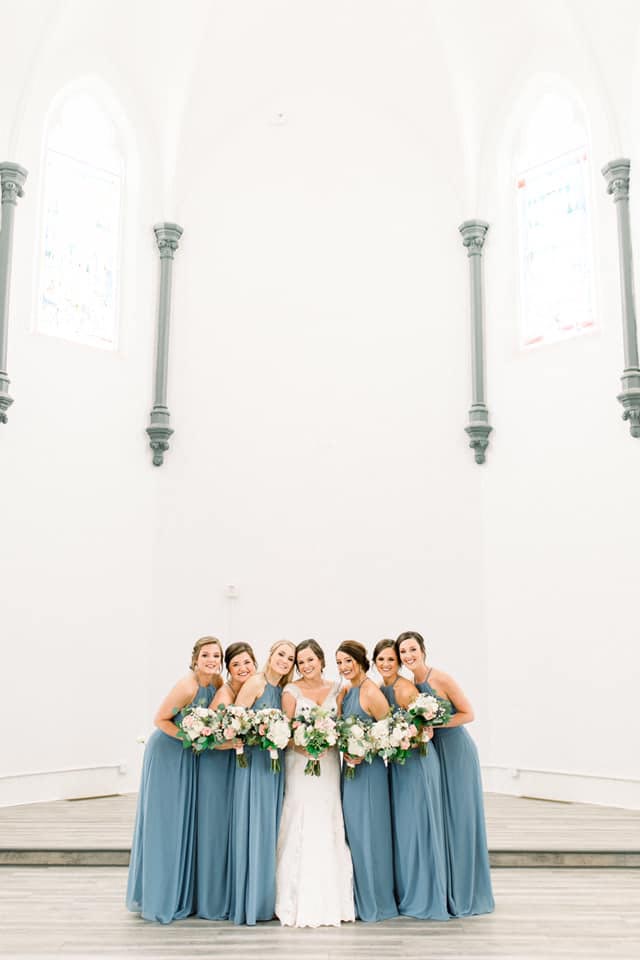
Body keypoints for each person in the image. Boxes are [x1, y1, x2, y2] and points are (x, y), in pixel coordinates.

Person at [396, 630, 495, 917]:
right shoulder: (409, 685)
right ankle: (447, 888)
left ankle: (468, 892)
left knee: (461, 820)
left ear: (423, 650)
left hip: (457, 753)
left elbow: (468, 713)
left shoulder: (440, 678)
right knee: (444, 822)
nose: (408, 656)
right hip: (433, 755)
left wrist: (435, 722)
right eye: (403, 652)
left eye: (412, 649)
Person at [126, 636, 223, 923]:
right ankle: (159, 897)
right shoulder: (187, 686)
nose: (212, 660)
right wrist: (190, 737)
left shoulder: (216, 683)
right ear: (195, 659)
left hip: (189, 755)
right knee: (166, 823)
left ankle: (182, 894)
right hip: (167, 753)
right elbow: (160, 720)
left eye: (216, 655)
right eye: (206, 655)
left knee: (184, 821)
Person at [275, 640, 355, 927]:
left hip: (330, 763)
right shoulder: (291, 691)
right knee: (300, 816)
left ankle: (333, 898)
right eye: (301, 662)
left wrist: (336, 744)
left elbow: (342, 726)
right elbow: (284, 733)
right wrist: (305, 748)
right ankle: (294, 899)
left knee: (328, 816)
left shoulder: (338, 689)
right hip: (299, 764)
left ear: (321, 660)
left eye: (310, 659)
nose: (306, 666)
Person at [374, 638, 448, 920]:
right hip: (398, 766)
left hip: (417, 763)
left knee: (419, 828)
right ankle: (408, 891)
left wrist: (407, 736)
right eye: (381, 659)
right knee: (405, 831)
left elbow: (424, 730)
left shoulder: (405, 689)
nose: (386, 664)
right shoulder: (381, 689)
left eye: (391, 659)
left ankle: (426, 897)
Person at [227, 640, 296, 925]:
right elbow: (234, 723)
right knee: (255, 828)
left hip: (274, 768)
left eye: (290, 658)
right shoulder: (256, 683)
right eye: (281, 654)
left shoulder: (283, 690)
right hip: (255, 765)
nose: (284, 661)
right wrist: (259, 733)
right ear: (270, 654)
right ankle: (252, 903)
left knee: (269, 830)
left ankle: (266, 899)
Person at [336, 641, 397, 922]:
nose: (344, 667)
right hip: (350, 772)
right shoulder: (348, 690)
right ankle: (359, 897)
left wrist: (364, 750)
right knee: (356, 835)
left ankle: (376, 900)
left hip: (370, 774)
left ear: (361, 661)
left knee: (370, 834)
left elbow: (390, 734)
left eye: (348, 661)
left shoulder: (371, 692)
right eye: (339, 662)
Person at [195, 642, 257, 920]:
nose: (243, 668)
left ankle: (229, 894)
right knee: (215, 831)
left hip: (232, 767)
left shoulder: (247, 689)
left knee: (228, 831)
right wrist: (231, 744)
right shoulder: (225, 694)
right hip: (215, 768)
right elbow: (205, 739)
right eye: (236, 664)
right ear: (228, 668)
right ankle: (212, 901)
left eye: (247, 662)